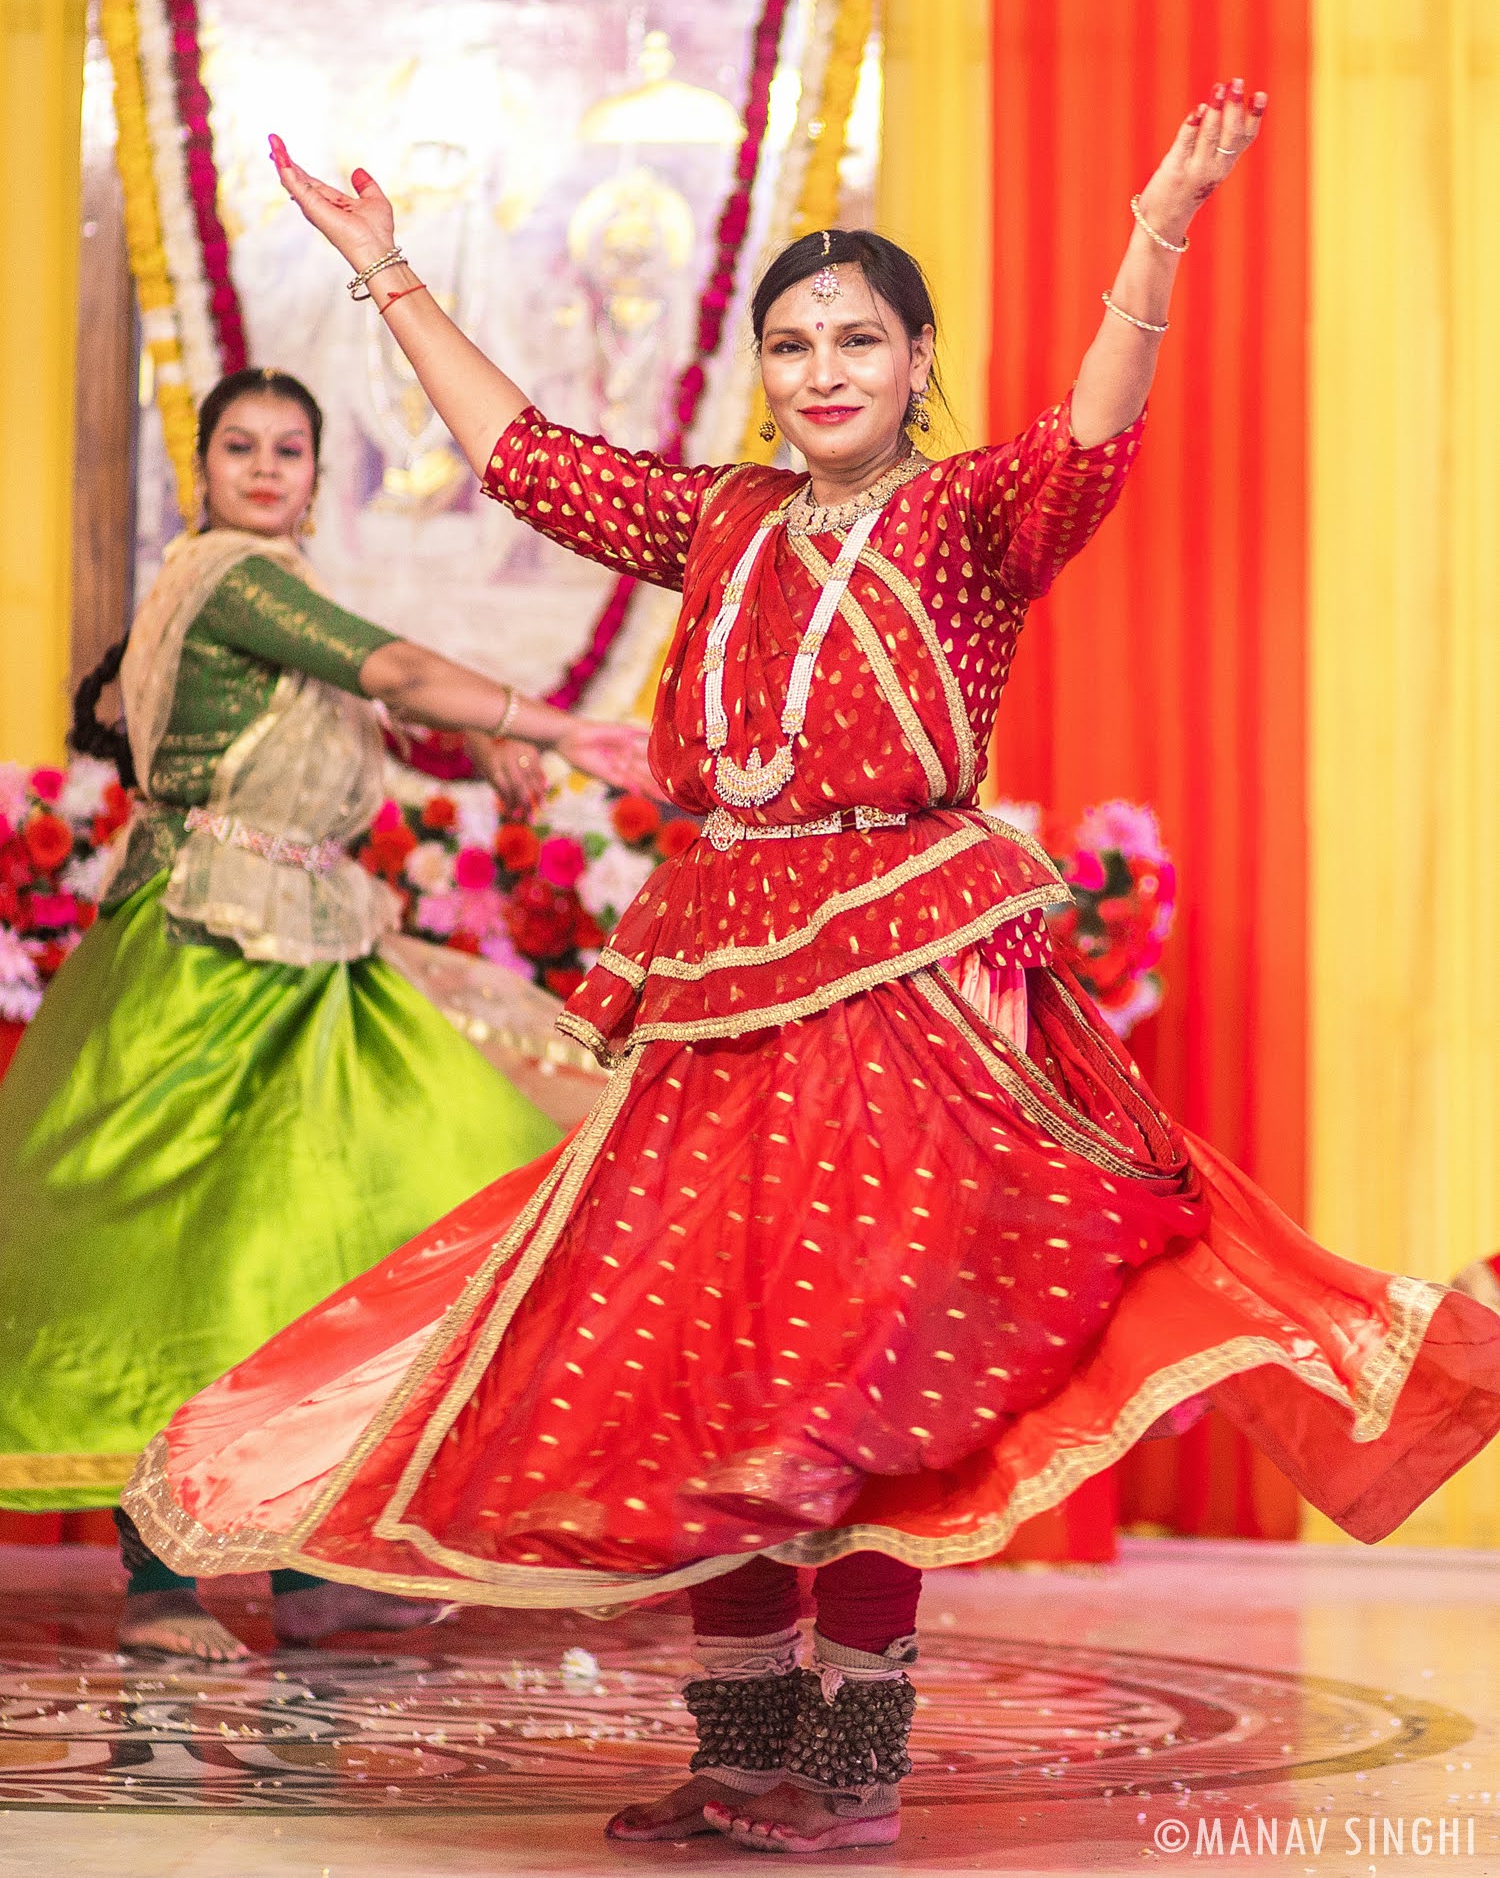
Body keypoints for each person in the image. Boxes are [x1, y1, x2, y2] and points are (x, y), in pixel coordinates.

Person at [124, 96, 1500, 1851]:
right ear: (763, 369)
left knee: (845, 1386)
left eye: (859, 337)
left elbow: (1091, 435)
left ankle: (846, 1775)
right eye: (792, 341)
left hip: (908, 1001)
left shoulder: (973, 516)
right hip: (718, 1005)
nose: (824, 365)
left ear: (918, 355)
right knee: (709, 1378)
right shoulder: (722, 519)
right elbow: (532, 458)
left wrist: (1154, 232)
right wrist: (384, 267)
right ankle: (744, 1754)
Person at [0, 364, 653, 1662]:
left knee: (338, 1257)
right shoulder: (234, 574)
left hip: (304, 959)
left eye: (287, 449)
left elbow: (356, 712)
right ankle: (163, 1587)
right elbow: (397, 668)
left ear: (312, 471)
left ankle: (306, 1571)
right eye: (239, 446)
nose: (262, 467)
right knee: (184, 1271)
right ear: (205, 468)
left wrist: (475, 741)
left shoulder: (269, 591)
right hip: (203, 962)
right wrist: (557, 723)